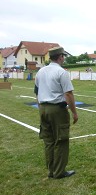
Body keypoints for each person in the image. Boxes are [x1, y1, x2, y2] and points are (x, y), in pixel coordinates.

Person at [34, 47, 78, 179]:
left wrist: (40, 108)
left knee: (49, 141)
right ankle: (59, 172)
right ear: (60, 57)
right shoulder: (61, 72)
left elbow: (36, 92)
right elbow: (68, 94)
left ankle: (51, 170)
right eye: (63, 56)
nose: (64, 59)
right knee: (61, 140)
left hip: (43, 108)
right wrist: (74, 113)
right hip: (57, 109)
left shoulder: (40, 72)